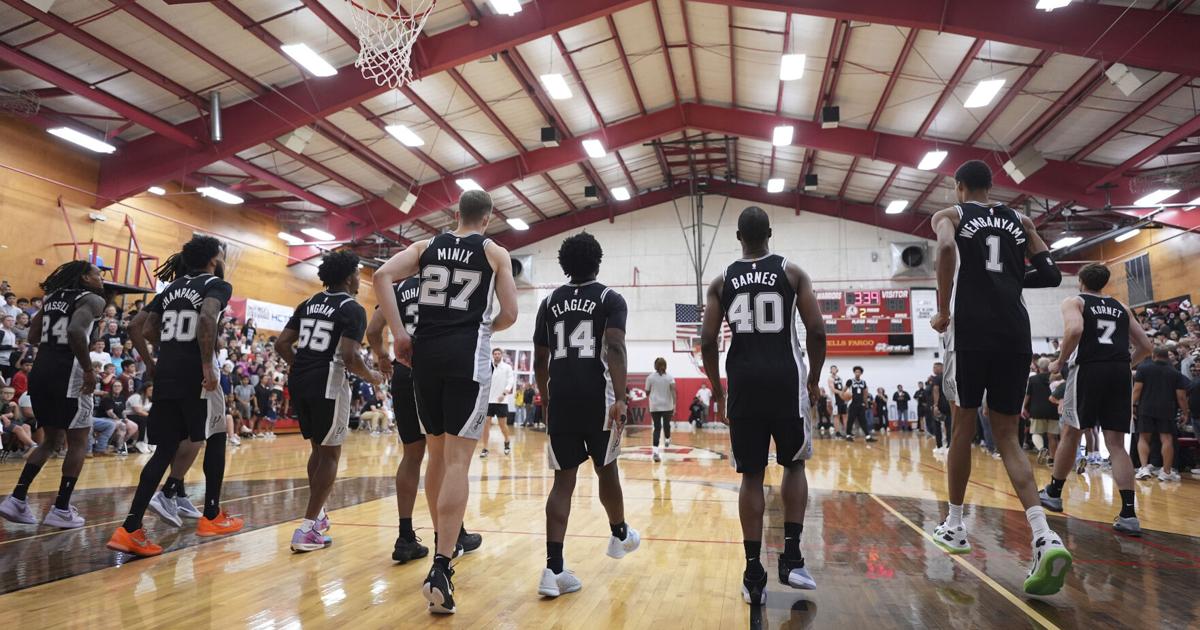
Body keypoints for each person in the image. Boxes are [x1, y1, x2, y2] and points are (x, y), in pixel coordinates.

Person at [372, 189, 518, 615]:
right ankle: (441, 565)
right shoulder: (494, 252)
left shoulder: (425, 246)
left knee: (435, 455)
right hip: (466, 357)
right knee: (457, 461)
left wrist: (399, 334)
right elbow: (510, 312)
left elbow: (381, 276)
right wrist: (483, 325)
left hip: (424, 357)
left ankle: (444, 546)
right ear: (487, 219)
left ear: (456, 214)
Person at [928, 159, 1070, 596]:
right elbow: (1051, 274)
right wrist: (1009, 279)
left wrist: (943, 307)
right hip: (1016, 331)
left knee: (962, 423)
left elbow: (947, 249)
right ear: (991, 187)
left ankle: (954, 525)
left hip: (972, 331)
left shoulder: (950, 215)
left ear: (958, 187)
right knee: (1007, 435)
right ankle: (1044, 534)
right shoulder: (1020, 219)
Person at [699, 206, 826, 606]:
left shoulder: (721, 281)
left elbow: (706, 341)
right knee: (794, 464)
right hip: (786, 380)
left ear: (738, 237)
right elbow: (818, 330)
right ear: (770, 233)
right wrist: (815, 378)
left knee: (751, 476)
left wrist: (718, 391)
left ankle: (753, 572)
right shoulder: (793, 272)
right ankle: (791, 557)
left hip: (743, 384)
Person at [107, 236, 244, 557]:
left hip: (166, 372)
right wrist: (207, 364)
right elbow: (208, 316)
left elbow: (141, 327)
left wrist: (154, 361)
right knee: (218, 432)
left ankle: (130, 528)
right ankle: (211, 515)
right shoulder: (216, 284)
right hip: (195, 375)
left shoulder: (170, 288)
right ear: (215, 258)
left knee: (164, 449)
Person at [532, 232, 640, 598]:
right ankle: (619, 533)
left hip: (561, 398)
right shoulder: (610, 298)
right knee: (606, 469)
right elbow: (614, 346)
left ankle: (552, 569)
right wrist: (622, 398)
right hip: (598, 399)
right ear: (598, 261)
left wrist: (546, 399)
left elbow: (540, 360)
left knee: (563, 482)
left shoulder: (548, 302)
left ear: (565, 265)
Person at [367, 273, 483, 565]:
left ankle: (406, 535)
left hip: (403, 373)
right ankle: (447, 537)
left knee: (412, 456)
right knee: (444, 456)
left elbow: (373, 330)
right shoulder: (445, 280)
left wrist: (381, 355)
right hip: (432, 369)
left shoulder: (397, 288)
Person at [275, 251, 381, 552]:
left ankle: (318, 515)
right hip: (329, 384)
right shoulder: (353, 308)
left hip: (300, 381)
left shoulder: (307, 303)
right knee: (331, 456)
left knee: (318, 452)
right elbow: (349, 357)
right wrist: (372, 376)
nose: (360, 279)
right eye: (358, 273)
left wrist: (302, 367)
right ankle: (307, 529)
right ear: (348, 277)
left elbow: (281, 344)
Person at [1039, 263, 1152, 533]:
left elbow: (1075, 330)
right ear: (1104, 283)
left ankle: (1054, 492)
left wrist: (1059, 360)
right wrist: (1125, 365)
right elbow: (1146, 347)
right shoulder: (1121, 307)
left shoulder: (1074, 301)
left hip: (1088, 369)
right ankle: (1128, 514)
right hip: (1119, 372)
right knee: (1116, 444)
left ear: (1080, 281)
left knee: (1071, 432)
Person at [0, 262, 105, 528]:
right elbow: (74, 331)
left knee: (50, 440)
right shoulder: (92, 299)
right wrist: (88, 369)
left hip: (42, 370)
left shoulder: (53, 298)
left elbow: (33, 335)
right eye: (97, 274)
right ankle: (60, 508)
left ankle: (17, 499)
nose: (101, 279)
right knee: (79, 439)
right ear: (84, 278)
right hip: (69, 374)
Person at [1132, 346, 1190, 482]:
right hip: (1167, 409)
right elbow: (1181, 396)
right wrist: (1185, 413)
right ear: (1168, 357)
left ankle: (1144, 468)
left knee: (1144, 438)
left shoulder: (1144, 369)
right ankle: (1166, 471)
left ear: (1153, 356)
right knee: (1167, 439)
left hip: (1146, 408)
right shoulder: (1175, 373)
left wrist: (1131, 405)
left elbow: (1137, 390)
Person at [1024, 358, 1060, 465]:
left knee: (1036, 432)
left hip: (1037, 410)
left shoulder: (1033, 379)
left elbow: (1027, 396)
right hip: (1053, 410)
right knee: (1052, 436)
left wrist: (1023, 407)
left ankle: (1041, 448)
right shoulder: (1056, 378)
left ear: (1039, 368)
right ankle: (1052, 460)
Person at [480, 348, 514, 457]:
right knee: (486, 424)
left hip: (502, 402)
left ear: (501, 355)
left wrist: (504, 394)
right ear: (493, 355)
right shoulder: (488, 367)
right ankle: (485, 448)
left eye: (499, 353)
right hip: (489, 401)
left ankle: (507, 442)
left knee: (502, 425)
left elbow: (510, 381)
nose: (497, 355)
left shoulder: (507, 368)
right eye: (495, 354)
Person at [645, 358, 675, 462]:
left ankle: (656, 453)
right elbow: (673, 392)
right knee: (667, 425)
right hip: (667, 405)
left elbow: (647, 392)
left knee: (657, 428)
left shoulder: (650, 377)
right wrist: (674, 404)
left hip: (655, 406)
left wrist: (652, 394)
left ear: (655, 366)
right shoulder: (670, 377)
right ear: (665, 365)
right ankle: (667, 438)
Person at [845, 366, 874, 442]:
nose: (857, 373)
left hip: (860, 404)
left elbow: (865, 394)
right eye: (856, 372)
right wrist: (845, 397)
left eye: (859, 372)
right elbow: (843, 391)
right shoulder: (850, 381)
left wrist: (866, 403)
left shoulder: (863, 382)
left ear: (861, 373)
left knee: (863, 420)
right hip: (852, 404)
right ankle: (848, 435)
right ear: (854, 373)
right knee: (850, 420)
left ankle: (868, 436)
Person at [827, 366, 847, 438]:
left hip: (842, 398)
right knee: (836, 416)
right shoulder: (830, 379)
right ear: (830, 370)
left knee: (844, 415)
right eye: (832, 369)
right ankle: (837, 432)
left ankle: (847, 431)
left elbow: (842, 388)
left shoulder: (839, 378)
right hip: (835, 400)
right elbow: (833, 389)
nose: (833, 370)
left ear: (837, 370)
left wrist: (845, 393)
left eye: (835, 369)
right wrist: (841, 392)